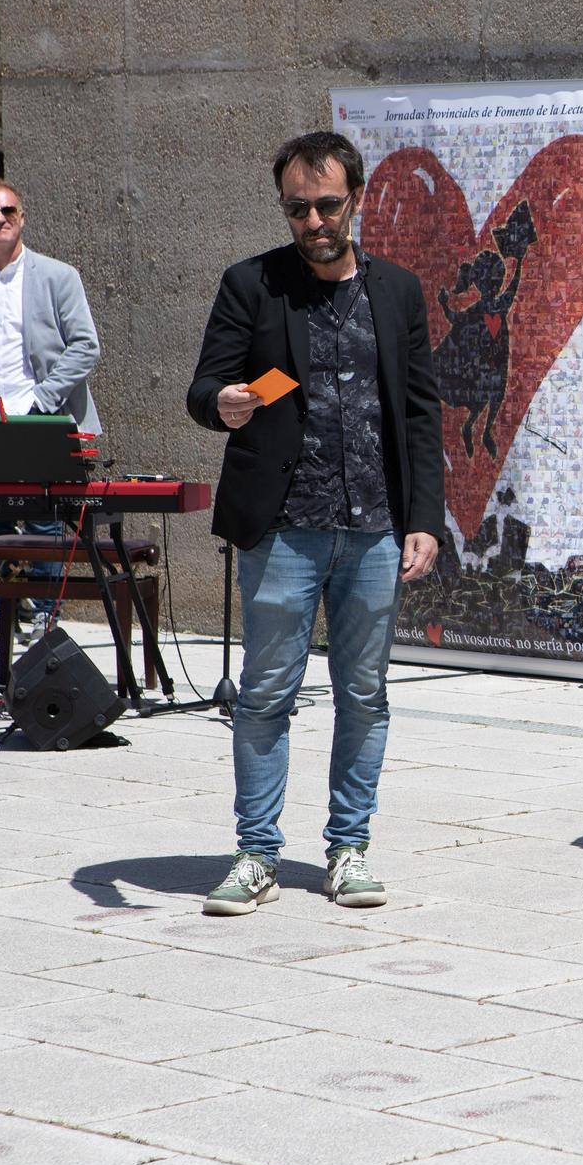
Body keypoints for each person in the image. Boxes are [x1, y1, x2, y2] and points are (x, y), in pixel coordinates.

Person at [186, 131, 444, 916]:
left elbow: (421, 411)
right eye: (298, 208)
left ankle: (349, 847)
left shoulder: (397, 291)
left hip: (373, 529)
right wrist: (221, 404)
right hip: (283, 529)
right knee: (266, 693)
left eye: (328, 204)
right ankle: (257, 852)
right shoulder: (252, 285)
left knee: (363, 693)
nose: (314, 220)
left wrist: (424, 518)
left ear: (356, 199)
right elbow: (205, 386)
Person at [0, 177, 102, 634]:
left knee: (48, 522)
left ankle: (47, 612)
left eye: (8, 210)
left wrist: (41, 401)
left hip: (46, 421)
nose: (0, 218)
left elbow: (86, 347)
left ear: (22, 217)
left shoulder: (57, 276)